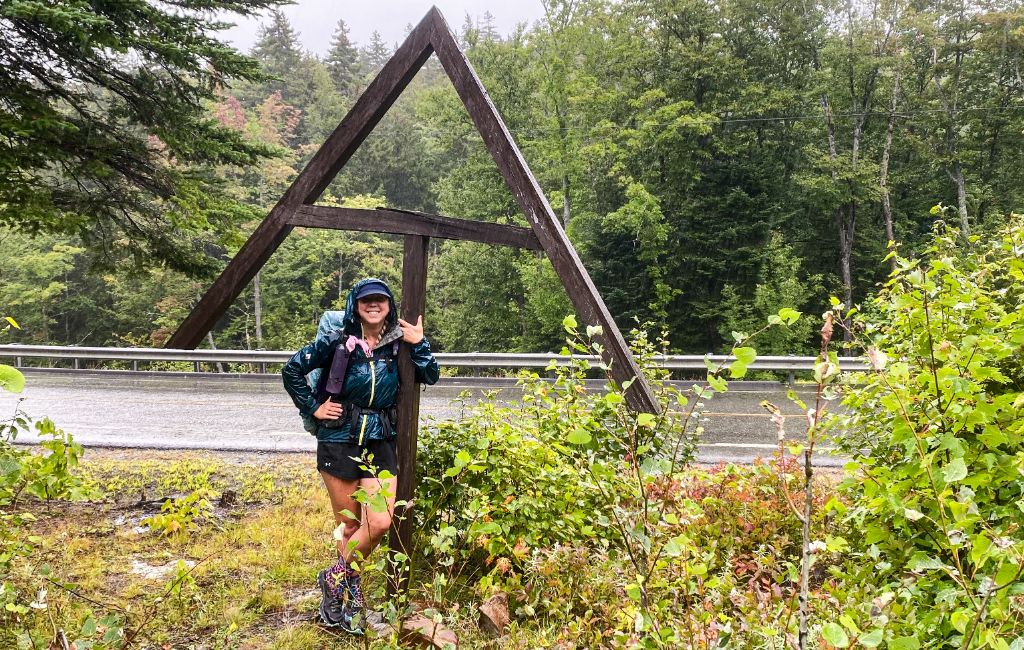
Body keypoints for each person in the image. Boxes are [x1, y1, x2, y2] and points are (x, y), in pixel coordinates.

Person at [282, 278, 439, 633]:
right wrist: (313, 407)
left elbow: (431, 374)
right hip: (339, 438)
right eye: (366, 300)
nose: (373, 305)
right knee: (350, 526)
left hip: (380, 439)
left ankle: (333, 578)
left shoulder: (398, 344)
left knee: (380, 522)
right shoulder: (337, 341)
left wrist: (420, 343)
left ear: (388, 305)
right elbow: (291, 369)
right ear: (355, 305)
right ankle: (349, 594)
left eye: (379, 300)